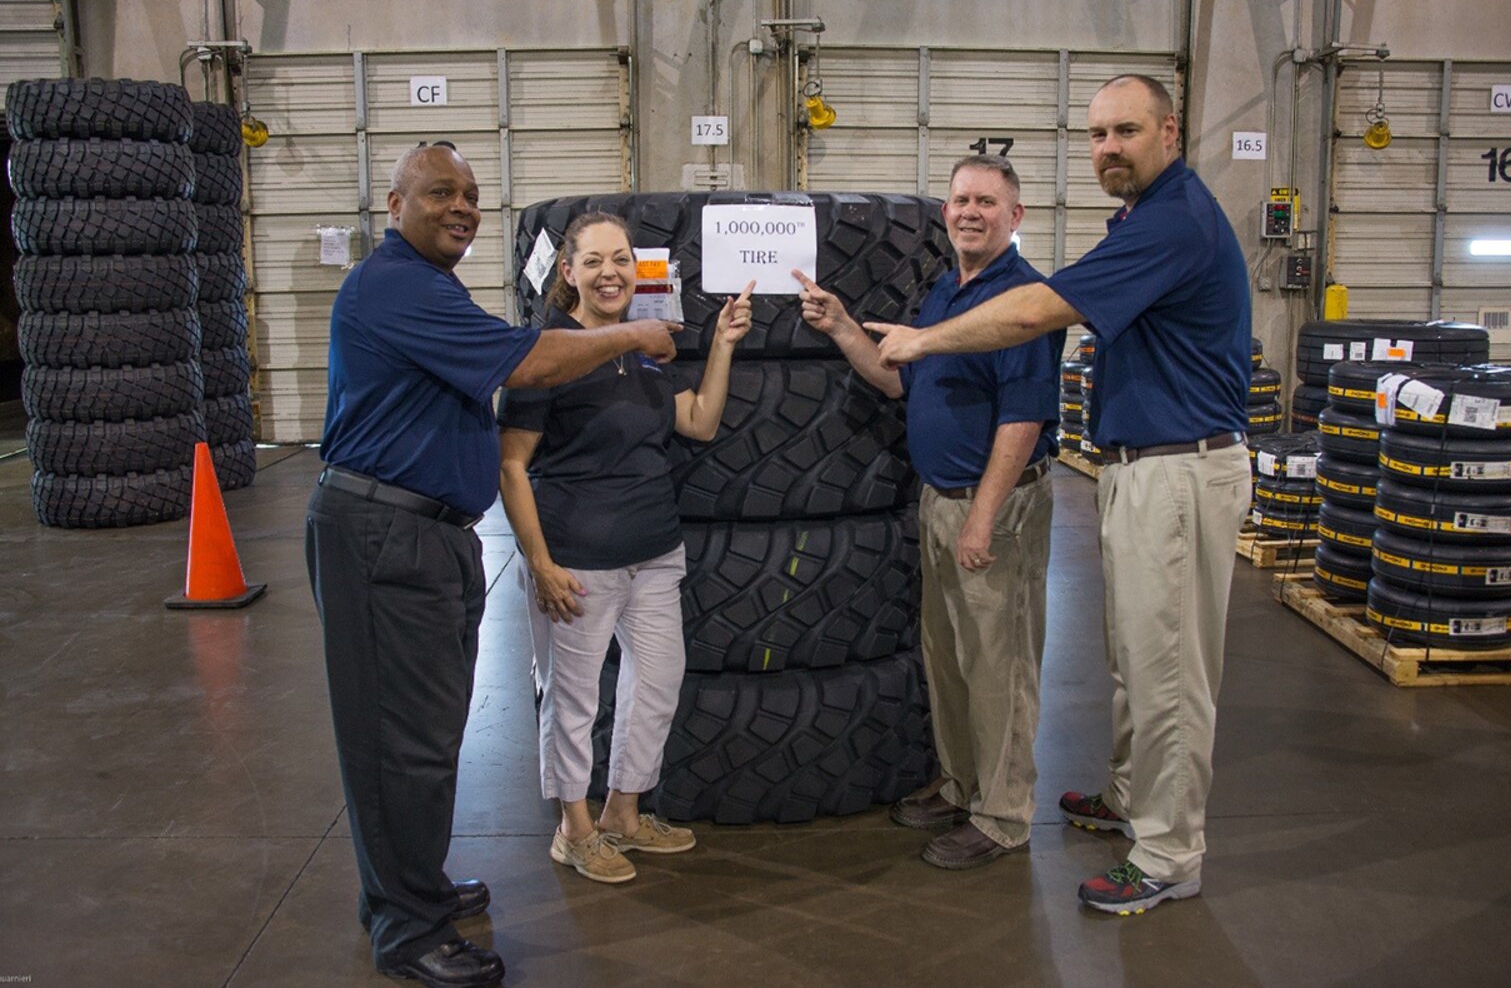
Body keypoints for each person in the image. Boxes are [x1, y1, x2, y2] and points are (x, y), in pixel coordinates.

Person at [867, 74, 1253, 915]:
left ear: (1170, 132)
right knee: (1135, 658)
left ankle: (1167, 854)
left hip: (1179, 470)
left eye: (1125, 131)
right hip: (1138, 467)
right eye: (1097, 134)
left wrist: (924, 340)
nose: (1108, 148)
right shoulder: (1141, 219)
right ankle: (1127, 799)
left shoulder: (1174, 222)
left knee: (1170, 674)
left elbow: (1035, 314)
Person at [306, 145, 679, 988]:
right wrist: (636, 333)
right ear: (395, 201)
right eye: (441, 193)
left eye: (472, 196)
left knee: (427, 735)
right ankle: (408, 930)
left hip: (423, 534)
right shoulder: (394, 284)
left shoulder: (431, 287)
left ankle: (408, 890)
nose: (462, 207)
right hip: (382, 534)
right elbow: (528, 362)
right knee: (400, 741)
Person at [796, 155, 1064, 870]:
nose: (969, 211)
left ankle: (1003, 815)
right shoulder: (947, 291)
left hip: (992, 508)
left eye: (985, 201)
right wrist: (843, 326)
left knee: (999, 665)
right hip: (938, 499)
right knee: (949, 657)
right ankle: (962, 784)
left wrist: (982, 516)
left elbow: (1024, 419)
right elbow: (897, 380)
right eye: (959, 200)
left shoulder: (1023, 297)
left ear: (1016, 217)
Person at [497, 213, 755, 885]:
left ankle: (623, 814)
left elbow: (697, 421)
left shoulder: (643, 349)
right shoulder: (545, 352)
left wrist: (723, 344)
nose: (610, 273)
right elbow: (511, 466)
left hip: (655, 553)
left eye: (622, 261)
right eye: (595, 261)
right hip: (578, 560)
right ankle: (573, 829)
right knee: (574, 699)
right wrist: (541, 563)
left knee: (657, 685)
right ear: (568, 272)